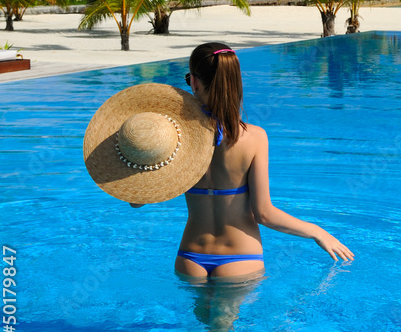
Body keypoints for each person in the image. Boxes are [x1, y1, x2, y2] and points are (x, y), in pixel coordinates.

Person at [134, 42, 354, 283]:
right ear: (234, 82)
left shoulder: (176, 138)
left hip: (190, 257)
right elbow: (264, 214)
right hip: (240, 258)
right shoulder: (255, 138)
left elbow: (137, 200)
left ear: (194, 82)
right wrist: (317, 232)